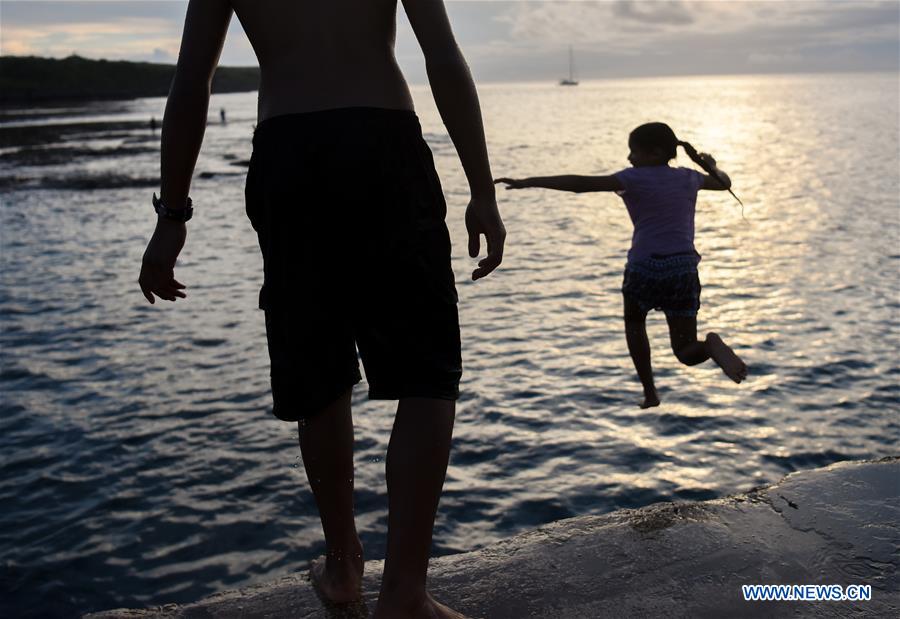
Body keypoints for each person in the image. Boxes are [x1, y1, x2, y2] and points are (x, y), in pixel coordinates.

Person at [137, 1, 505, 618]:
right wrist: (482, 189)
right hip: (384, 142)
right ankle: (404, 592)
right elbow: (442, 56)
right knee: (426, 371)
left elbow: (191, 83)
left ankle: (343, 564)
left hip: (289, 153)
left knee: (317, 368)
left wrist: (172, 217)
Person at [495, 122, 746, 409]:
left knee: (635, 325)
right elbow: (724, 182)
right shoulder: (690, 177)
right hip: (682, 269)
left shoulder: (632, 178)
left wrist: (529, 181)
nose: (629, 158)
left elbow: (581, 185)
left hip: (644, 268)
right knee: (685, 349)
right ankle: (710, 346)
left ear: (654, 153)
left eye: (634, 152)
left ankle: (649, 391)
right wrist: (711, 165)